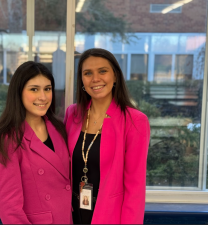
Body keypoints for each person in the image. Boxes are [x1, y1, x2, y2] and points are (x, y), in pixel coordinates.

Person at [64, 48, 150, 224]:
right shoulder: (73, 114)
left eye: (102, 71)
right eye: (88, 73)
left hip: (109, 215)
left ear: (115, 76)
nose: (95, 79)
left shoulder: (135, 121)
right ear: (82, 80)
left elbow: (135, 187)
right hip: (71, 212)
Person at [0, 61, 72, 224]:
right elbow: (9, 208)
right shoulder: (10, 139)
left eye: (47, 89)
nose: (43, 97)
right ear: (19, 92)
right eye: (34, 89)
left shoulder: (59, 128)